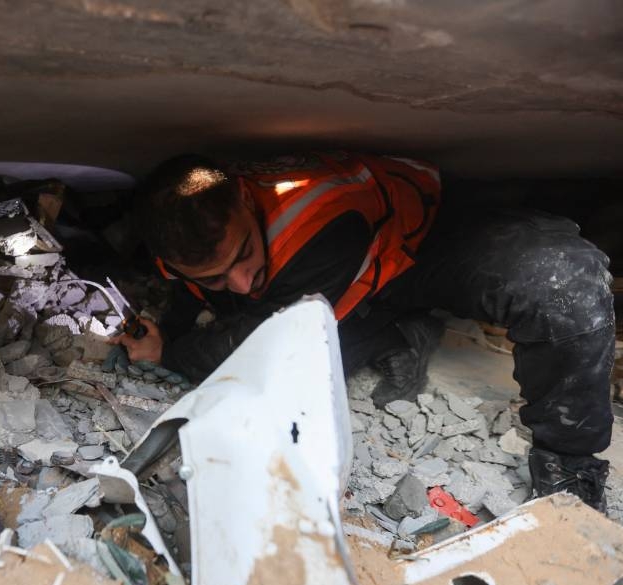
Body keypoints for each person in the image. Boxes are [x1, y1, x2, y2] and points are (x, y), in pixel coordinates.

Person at [113, 152, 615, 510]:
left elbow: (256, 345)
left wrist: (170, 354)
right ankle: (393, 330)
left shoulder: (319, 219)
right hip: (349, 284)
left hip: (425, 243)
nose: (242, 282)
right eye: (217, 277)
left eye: (244, 254)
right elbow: (206, 296)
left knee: (560, 282)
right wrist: (170, 322)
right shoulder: (182, 250)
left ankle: (569, 466)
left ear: (246, 196)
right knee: (304, 355)